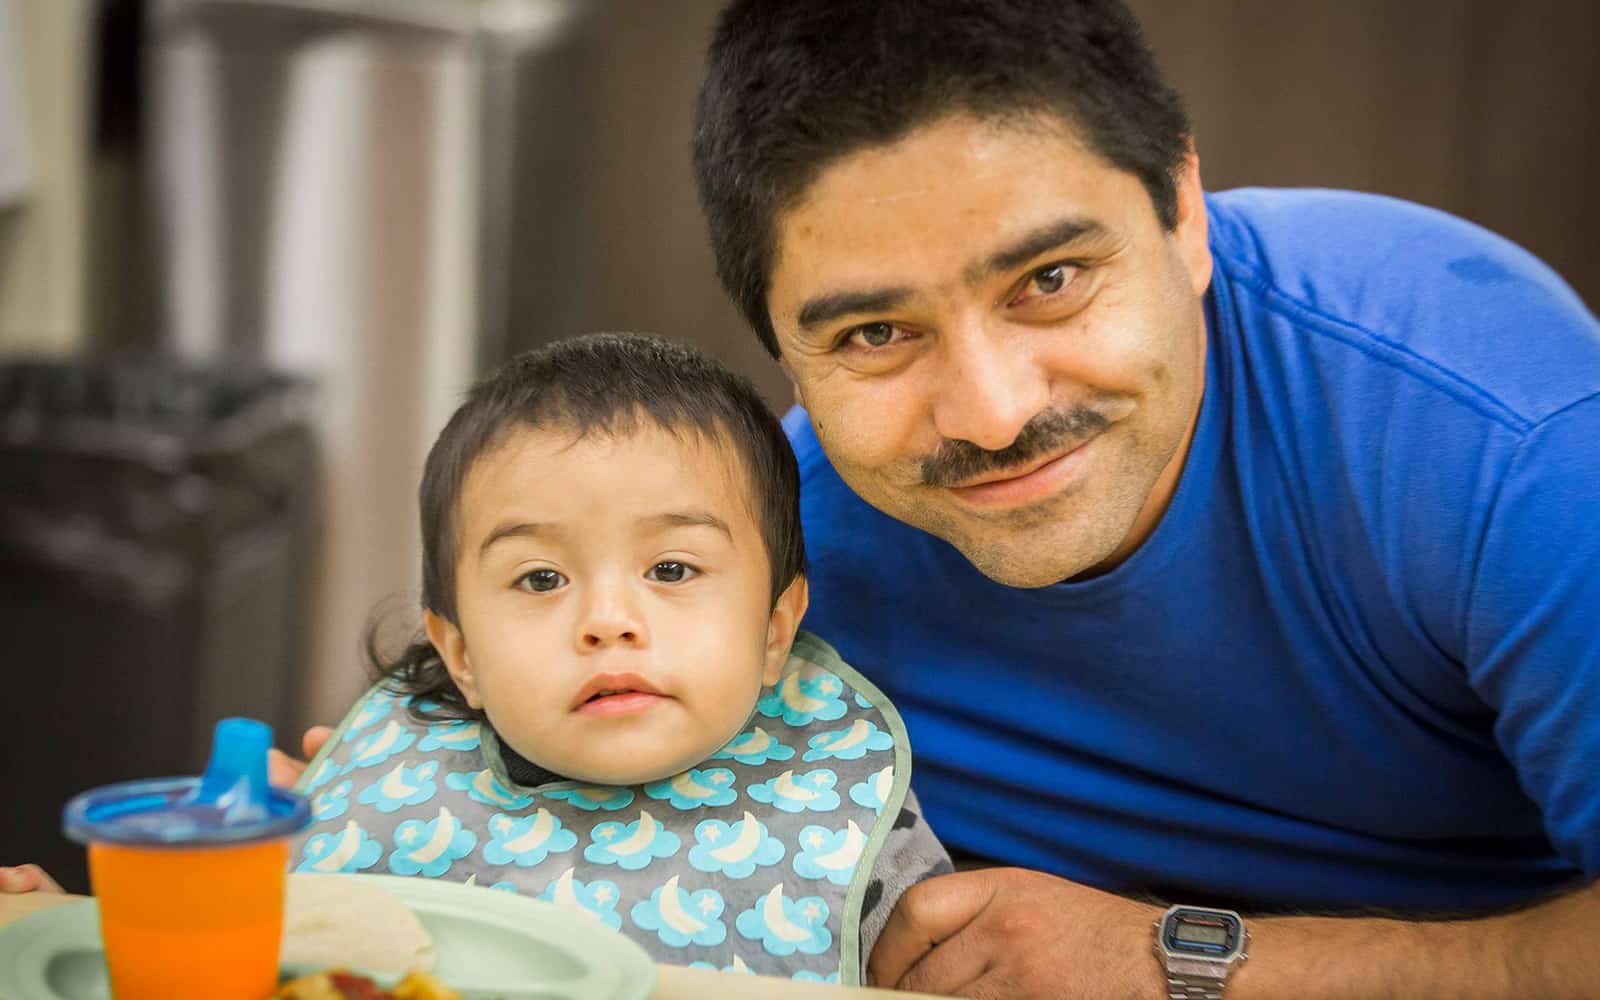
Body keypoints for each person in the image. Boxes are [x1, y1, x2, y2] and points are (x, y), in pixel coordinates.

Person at [265, 0, 1598, 995]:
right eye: (873, 336)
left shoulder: (1498, 439)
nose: (993, 410)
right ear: (778, 340)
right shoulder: (756, 560)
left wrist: (1181, 963)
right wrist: (389, 810)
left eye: (1052, 281)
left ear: (1185, 204)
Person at [7, 334, 951, 986]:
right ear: (458, 653)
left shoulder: (842, 810)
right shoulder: (390, 787)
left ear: (777, 627)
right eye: (540, 579)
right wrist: (69, 935)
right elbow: (220, 969)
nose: (608, 621)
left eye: (671, 567)